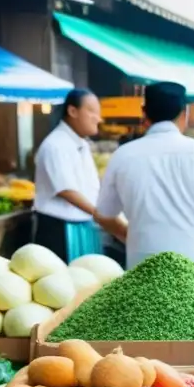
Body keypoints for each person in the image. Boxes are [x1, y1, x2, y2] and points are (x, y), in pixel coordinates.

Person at [95, 82, 194, 271]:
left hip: (143, 264)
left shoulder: (123, 155)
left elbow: (103, 215)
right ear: (184, 113)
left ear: (144, 113)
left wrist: (134, 237)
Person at [34, 89, 125, 261]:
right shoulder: (56, 145)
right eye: (92, 112)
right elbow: (66, 190)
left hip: (84, 224)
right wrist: (102, 215)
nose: (98, 119)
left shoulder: (80, 143)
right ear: (72, 111)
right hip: (60, 230)